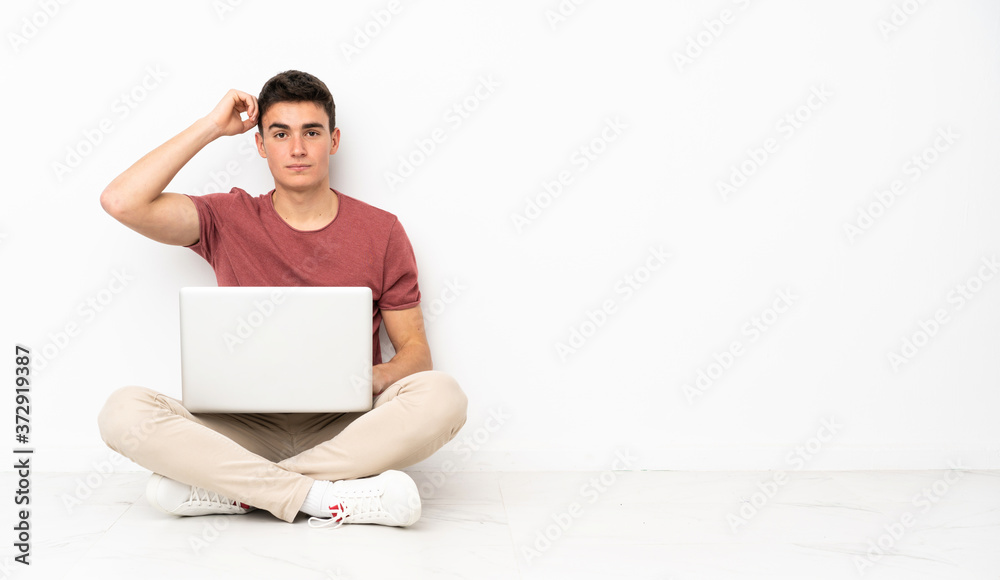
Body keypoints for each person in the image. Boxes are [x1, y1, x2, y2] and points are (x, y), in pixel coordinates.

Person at [97, 70, 468, 528]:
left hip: (345, 426)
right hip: (240, 429)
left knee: (443, 397)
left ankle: (238, 491)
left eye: (311, 132)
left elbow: (416, 354)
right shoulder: (226, 217)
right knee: (122, 412)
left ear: (332, 141)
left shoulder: (382, 230)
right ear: (259, 144)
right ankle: (320, 497)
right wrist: (213, 126)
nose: (296, 149)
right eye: (280, 133)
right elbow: (121, 201)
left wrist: (368, 378)